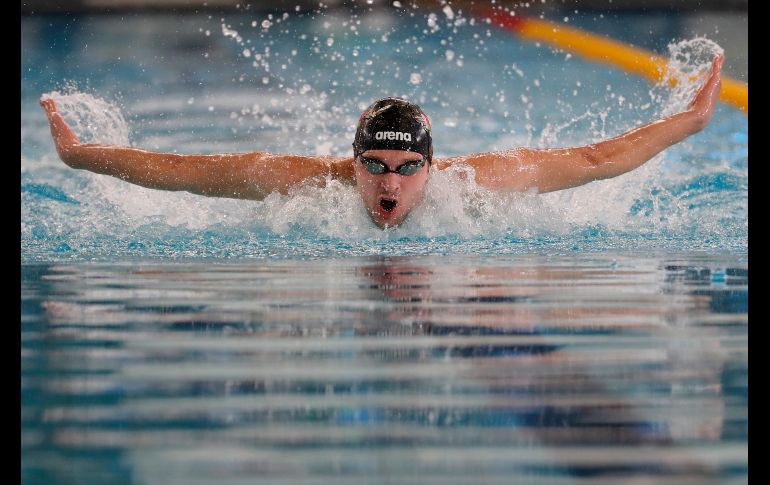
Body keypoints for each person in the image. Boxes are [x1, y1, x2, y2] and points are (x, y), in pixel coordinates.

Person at [40, 55, 724, 229]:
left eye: (404, 168)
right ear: (352, 160)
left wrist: (689, 121)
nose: (389, 185)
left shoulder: (475, 185)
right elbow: (181, 170)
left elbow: (596, 160)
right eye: (373, 166)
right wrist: (81, 154)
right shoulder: (306, 184)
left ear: (431, 166)